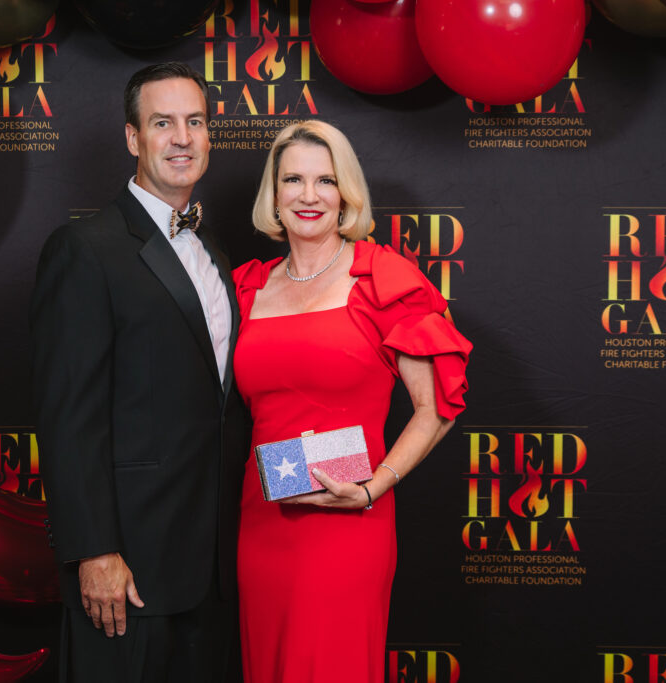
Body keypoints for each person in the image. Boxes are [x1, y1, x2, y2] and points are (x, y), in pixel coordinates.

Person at [231, 120, 472, 683]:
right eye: (293, 179)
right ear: (274, 193)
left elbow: (437, 406)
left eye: (325, 180)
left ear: (346, 194)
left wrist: (374, 486)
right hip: (263, 522)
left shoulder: (381, 279)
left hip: (347, 521)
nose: (309, 196)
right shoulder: (249, 287)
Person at [30, 62, 246, 683]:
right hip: (128, 570)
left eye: (195, 122)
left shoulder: (214, 257)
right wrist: (93, 550)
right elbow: (68, 415)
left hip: (211, 568)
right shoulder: (85, 248)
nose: (182, 137)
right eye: (162, 123)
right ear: (132, 138)